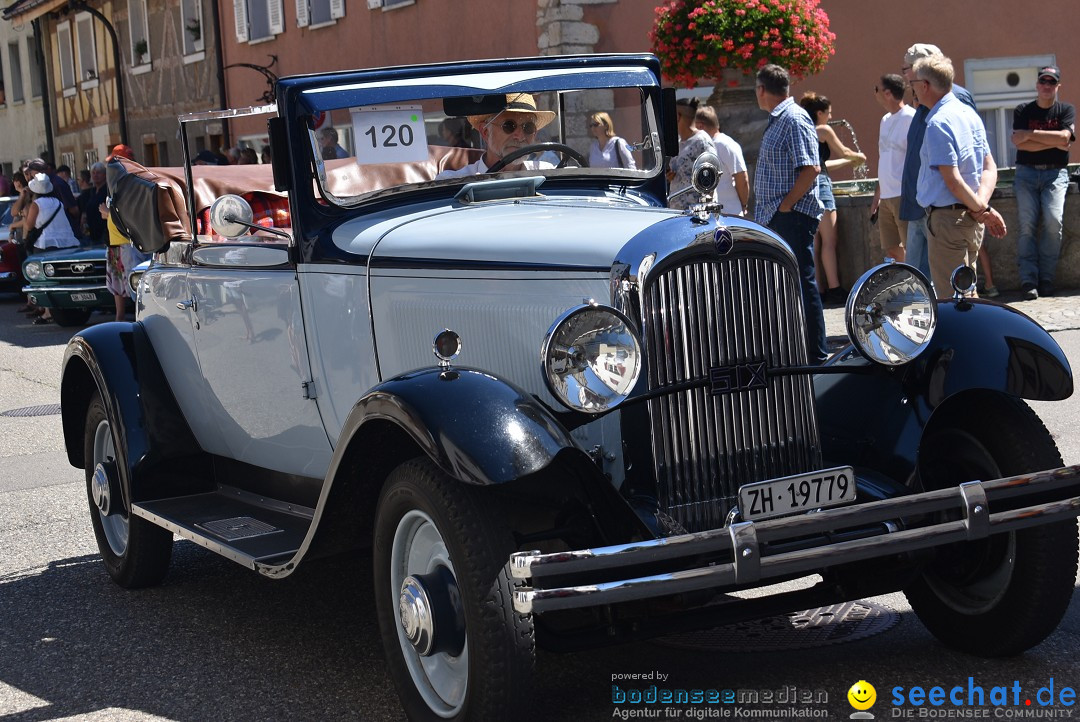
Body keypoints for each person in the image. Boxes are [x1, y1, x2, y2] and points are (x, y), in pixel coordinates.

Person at [912, 55, 1007, 299]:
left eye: (913, 82)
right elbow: (989, 167)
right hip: (969, 219)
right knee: (967, 293)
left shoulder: (938, 122)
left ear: (925, 86)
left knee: (952, 299)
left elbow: (952, 180)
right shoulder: (969, 114)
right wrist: (981, 207)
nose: (911, 88)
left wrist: (982, 210)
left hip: (948, 220)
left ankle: (972, 339)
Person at [754, 64, 827, 365]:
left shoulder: (794, 118)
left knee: (801, 283)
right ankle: (794, 353)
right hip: (779, 215)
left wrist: (786, 205)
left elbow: (811, 168)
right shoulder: (781, 118)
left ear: (761, 90)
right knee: (786, 286)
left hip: (791, 216)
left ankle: (816, 356)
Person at [899, 43, 979, 293]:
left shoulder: (953, 101)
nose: (906, 76)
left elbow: (973, 158)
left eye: (910, 69)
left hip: (943, 210)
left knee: (952, 289)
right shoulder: (921, 102)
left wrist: (979, 207)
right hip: (920, 206)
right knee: (917, 282)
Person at [1011, 65, 1075, 300]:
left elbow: (1065, 139)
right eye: (1043, 82)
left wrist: (1031, 134)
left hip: (1055, 174)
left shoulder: (1066, 109)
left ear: (1058, 86)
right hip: (1026, 174)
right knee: (1027, 225)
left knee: (1053, 222)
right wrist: (1053, 139)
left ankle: (1046, 278)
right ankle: (1029, 280)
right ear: (1037, 85)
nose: (1047, 86)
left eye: (1051, 82)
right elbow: (1019, 142)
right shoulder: (1022, 110)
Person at [800, 92, 866, 305]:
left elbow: (823, 165)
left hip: (806, 187)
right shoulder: (823, 130)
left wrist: (848, 163)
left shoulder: (803, 130)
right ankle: (836, 288)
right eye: (828, 112)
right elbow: (845, 151)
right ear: (819, 113)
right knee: (830, 241)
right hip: (822, 188)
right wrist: (859, 157)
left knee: (815, 243)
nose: (831, 116)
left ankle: (819, 290)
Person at [436, 93, 556, 179]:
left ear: (535, 133)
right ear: (485, 132)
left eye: (528, 128)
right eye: (509, 126)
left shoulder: (549, 174)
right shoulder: (455, 183)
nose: (520, 137)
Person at [870, 74, 915, 266]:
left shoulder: (910, 117)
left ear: (887, 93)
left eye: (876, 89)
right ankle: (907, 284)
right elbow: (884, 158)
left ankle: (918, 287)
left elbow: (914, 158)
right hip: (887, 195)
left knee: (911, 246)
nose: (875, 94)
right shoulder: (885, 120)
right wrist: (877, 195)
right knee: (891, 247)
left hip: (903, 193)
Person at [693, 104, 748, 216]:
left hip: (729, 214)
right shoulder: (707, 145)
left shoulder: (725, 145)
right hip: (714, 214)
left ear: (700, 126)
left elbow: (742, 178)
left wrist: (743, 205)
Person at [667, 97, 715, 210]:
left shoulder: (702, 142)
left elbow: (712, 177)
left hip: (696, 214)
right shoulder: (678, 142)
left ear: (678, 116)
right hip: (677, 211)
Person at [25, 157, 80, 237]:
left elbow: (74, 210)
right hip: (58, 231)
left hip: (64, 231)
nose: (31, 177)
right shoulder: (54, 182)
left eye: (32, 174)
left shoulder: (57, 184)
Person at [79, 161, 109, 244]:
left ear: (104, 175)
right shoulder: (90, 192)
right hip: (91, 232)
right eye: (93, 173)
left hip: (104, 232)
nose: (95, 175)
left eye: (98, 173)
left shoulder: (108, 191)